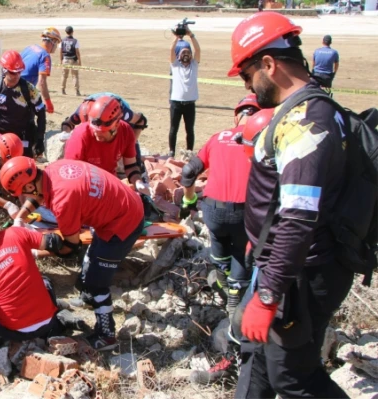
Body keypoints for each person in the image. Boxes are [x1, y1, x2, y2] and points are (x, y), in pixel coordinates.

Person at [228, 12, 352, 398]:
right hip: (281, 264)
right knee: (256, 358)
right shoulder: (317, 107)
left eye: (248, 76)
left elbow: (298, 219)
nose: (249, 87)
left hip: (300, 273)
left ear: (269, 64)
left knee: (293, 378)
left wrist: (268, 295)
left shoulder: (305, 124)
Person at [0, 157, 146, 350]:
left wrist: (38, 248)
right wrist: (20, 218)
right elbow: (37, 196)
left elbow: (71, 247)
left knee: (96, 282)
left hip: (123, 222)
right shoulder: (53, 169)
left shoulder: (63, 200)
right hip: (121, 205)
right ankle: (87, 298)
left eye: (22, 194)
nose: (23, 199)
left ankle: (107, 335)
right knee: (91, 260)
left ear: (28, 188)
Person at [182, 95, 263, 386]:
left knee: (220, 260)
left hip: (213, 210)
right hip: (246, 213)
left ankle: (223, 284)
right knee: (242, 269)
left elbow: (189, 171)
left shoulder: (218, 137)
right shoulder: (262, 139)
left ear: (236, 115)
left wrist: (189, 199)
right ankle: (233, 304)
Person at [0, 204, 80, 340]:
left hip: (13, 333)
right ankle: (56, 321)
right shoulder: (15, 233)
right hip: (48, 320)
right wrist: (29, 247)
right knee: (44, 281)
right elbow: (54, 242)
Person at [64, 95, 149, 193]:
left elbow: (131, 166)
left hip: (109, 182)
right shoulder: (81, 135)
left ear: (116, 125)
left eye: (102, 131)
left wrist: (138, 182)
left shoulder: (126, 132)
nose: (97, 133)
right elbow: (70, 174)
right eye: (94, 129)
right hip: (84, 186)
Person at [0, 50, 47, 158]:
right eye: (13, 72)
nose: (17, 76)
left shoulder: (29, 90)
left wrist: (40, 138)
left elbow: (41, 113)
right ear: (4, 70)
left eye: (19, 72)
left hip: (22, 136)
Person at [169, 29, 201, 157]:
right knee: (173, 129)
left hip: (190, 103)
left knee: (190, 130)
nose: (186, 54)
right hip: (176, 103)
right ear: (179, 55)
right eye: (183, 52)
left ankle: (189, 151)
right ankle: (171, 151)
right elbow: (171, 51)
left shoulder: (194, 65)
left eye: (188, 52)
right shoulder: (175, 66)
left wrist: (191, 35)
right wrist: (176, 37)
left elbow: (198, 50)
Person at [20, 27, 62, 114]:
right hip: (22, 91)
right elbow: (42, 83)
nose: (56, 46)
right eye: (57, 42)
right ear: (52, 41)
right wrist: (48, 103)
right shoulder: (45, 56)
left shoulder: (31, 47)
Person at [60, 26, 81, 96]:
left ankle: (62, 90)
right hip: (73, 59)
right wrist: (79, 60)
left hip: (65, 59)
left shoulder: (62, 41)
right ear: (72, 32)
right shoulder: (75, 41)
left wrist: (61, 60)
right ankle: (77, 91)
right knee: (75, 76)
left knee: (64, 75)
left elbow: (60, 51)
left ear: (66, 32)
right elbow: (77, 52)